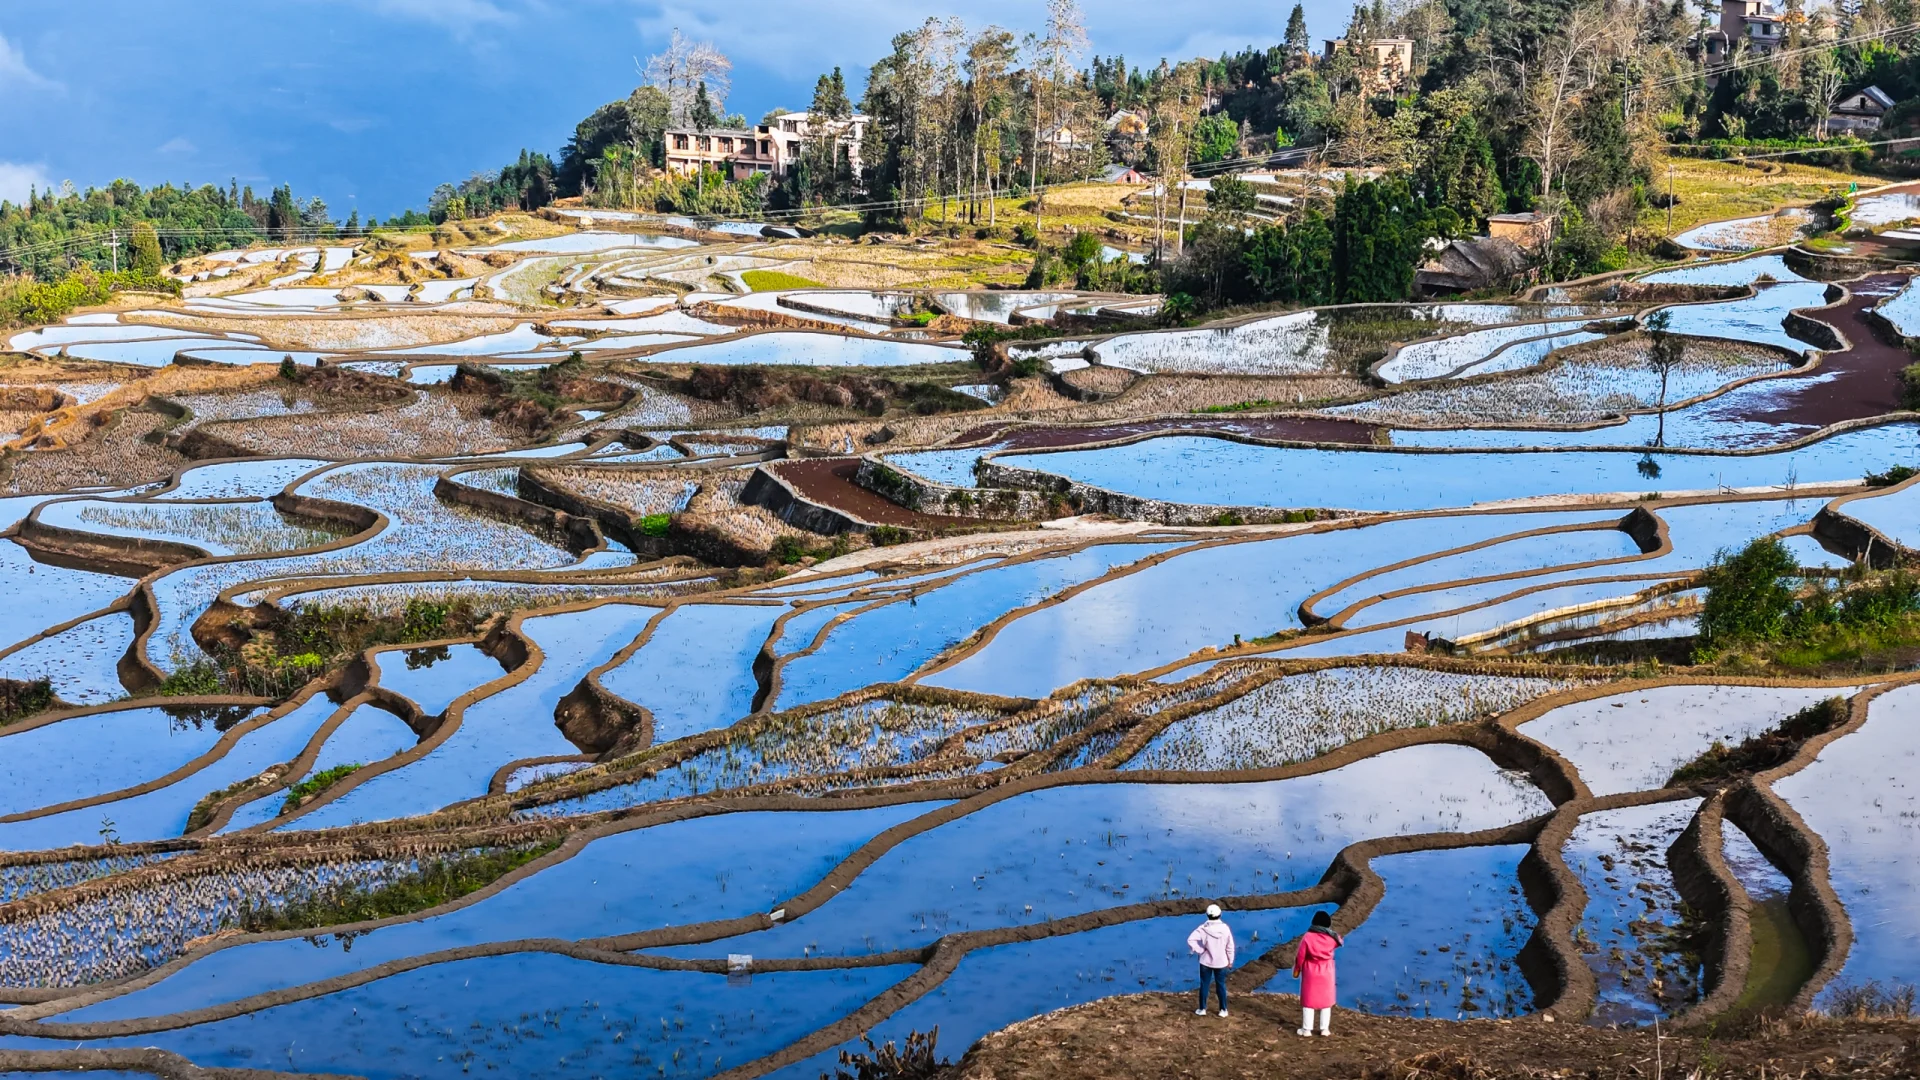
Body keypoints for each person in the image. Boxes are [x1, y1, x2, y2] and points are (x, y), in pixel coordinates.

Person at [1292, 910, 1343, 1036]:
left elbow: (1300, 956)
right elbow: (1340, 941)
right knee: (1326, 1001)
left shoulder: (1308, 937)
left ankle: (1306, 1030)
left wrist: (1297, 969)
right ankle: (1324, 1029)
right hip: (1327, 971)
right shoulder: (1332, 937)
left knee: (1308, 1001)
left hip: (1311, 971)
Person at [1187, 903, 1234, 1017]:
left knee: (1204, 985)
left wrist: (1201, 950)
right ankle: (1223, 1010)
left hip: (1205, 962)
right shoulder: (1225, 929)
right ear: (1220, 915)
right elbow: (1230, 946)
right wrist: (1230, 960)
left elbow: (1191, 940)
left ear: (1207, 915)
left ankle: (1202, 1009)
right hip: (1221, 962)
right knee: (1221, 985)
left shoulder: (1203, 929)